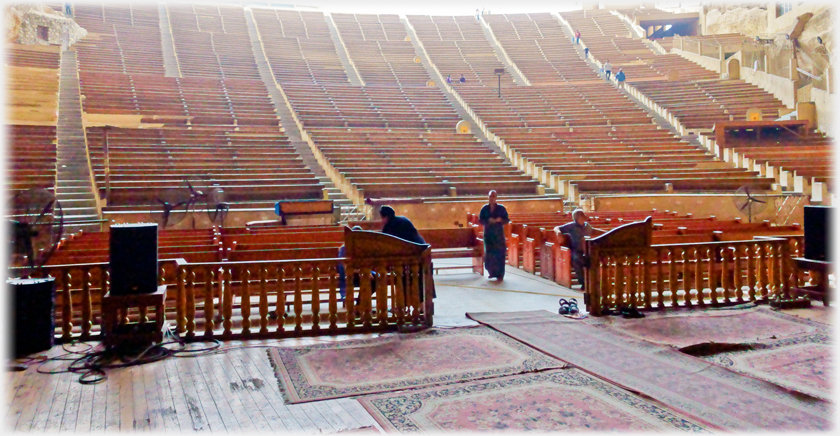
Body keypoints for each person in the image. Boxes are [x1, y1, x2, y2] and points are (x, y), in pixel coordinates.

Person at [554, 209, 605, 291]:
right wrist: (558, 233)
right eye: (582, 215)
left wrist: (606, 233)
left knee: (595, 260)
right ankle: (583, 283)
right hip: (577, 250)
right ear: (577, 217)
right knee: (577, 260)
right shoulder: (571, 226)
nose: (584, 217)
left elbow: (594, 231)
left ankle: (595, 283)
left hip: (588, 250)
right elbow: (557, 228)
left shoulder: (586, 225)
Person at [478, 190, 509, 280]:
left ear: (496, 198)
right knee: (490, 254)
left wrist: (500, 220)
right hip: (488, 234)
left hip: (498, 235)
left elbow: (506, 220)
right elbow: (480, 220)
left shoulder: (501, 208)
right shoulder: (484, 208)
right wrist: (488, 221)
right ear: (488, 198)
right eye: (490, 197)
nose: (492, 198)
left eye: (493, 197)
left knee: (499, 254)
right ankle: (492, 272)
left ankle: (500, 274)